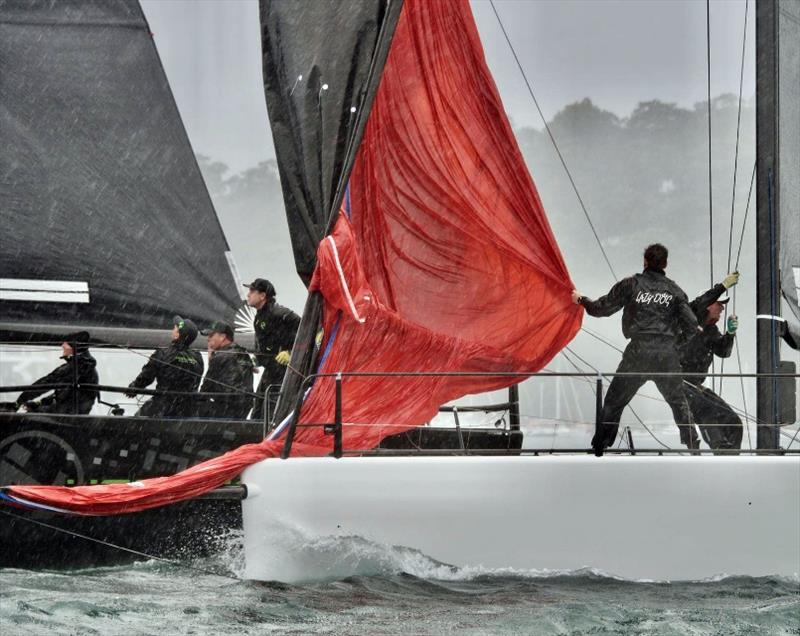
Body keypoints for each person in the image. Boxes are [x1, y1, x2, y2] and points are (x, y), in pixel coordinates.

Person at [572, 243, 702, 455]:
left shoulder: (631, 284)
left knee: (614, 400)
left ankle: (600, 447)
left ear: (645, 262)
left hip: (638, 352)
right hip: (666, 354)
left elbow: (601, 309)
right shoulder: (675, 291)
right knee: (679, 402)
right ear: (666, 264)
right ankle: (694, 447)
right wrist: (674, 345)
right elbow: (692, 326)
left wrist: (580, 299)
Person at [678, 273, 743, 452]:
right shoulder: (690, 318)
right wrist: (723, 285)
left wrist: (730, 334)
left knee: (734, 422)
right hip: (677, 381)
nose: (722, 309)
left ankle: (731, 458)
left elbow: (723, 352)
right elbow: (699, 303)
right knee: (706, 410)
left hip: (695, 384)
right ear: (708, 305)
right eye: (719, 305)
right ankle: (719, 449)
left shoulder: (711, 330)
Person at [244, 278, 300, 420]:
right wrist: (256, 359)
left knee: (272, 416)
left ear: (262, 296)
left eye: (251, 291)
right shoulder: (259, 317)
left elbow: (309, 329)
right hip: (270, 371)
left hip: (283, 374)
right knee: (257, 414)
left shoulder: (280, 313)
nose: (248, 295)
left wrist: (291, 352)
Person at [125, 315, 203, 417]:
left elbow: (147, 376)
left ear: (178, 335)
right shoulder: (198, 357)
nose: (173, 330)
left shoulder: (162, 353)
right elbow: (196, 382)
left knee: (135, 423)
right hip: (187, 411)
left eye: (175, 328)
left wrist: (134, 387)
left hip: (163, 409)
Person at [15, 331, 99, 414]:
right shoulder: (81, 365)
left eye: (66, 344)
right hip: (69, 414)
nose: (62, 346)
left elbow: (48, 382)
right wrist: (39, 403)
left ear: (73, 348)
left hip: (68, 417)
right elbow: (62, 393)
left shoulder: (78, 366)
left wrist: (20, 400)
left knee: (28, 417)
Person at [197, 320, 254, 419]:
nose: (208, 339)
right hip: (243, 409)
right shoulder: (244, 354)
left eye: (211, 335)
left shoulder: (220, 357)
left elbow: (206, 388)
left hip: (225, 409)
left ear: (223, 337)